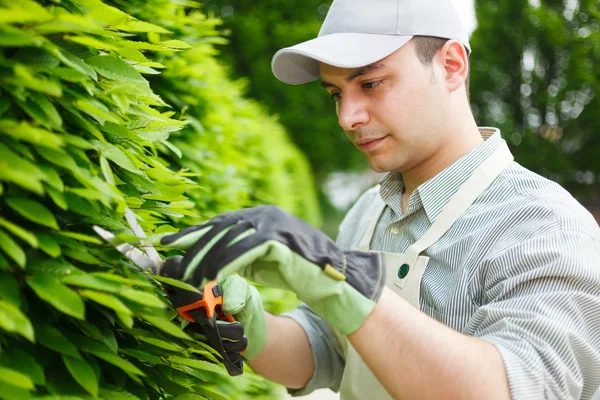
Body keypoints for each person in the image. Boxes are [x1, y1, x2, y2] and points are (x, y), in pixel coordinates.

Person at [160, 0, 600, 398]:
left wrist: (343, 284)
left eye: (370, 84)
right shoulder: (369, 213)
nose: (348, 117)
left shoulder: (546, 225)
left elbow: (522, 386)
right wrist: (247, 323)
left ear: (450, 65)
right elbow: (327, 352)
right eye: (336, 94)